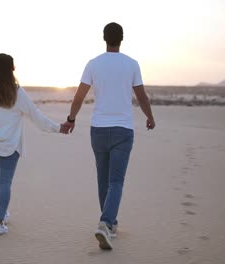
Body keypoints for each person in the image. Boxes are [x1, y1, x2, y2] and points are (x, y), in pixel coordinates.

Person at [62, 22, 156, 250]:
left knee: (104, 180)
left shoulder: (93, 64)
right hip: (123, 130)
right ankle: (106, 223)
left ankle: (110, 225)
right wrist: (150, 116)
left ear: (104, 38)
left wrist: (71, 119)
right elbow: (142, 97)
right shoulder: (132, 64)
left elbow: (79, 96)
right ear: (121, 39)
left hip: (99, 130)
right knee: (116, 181)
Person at [0, 53, 68, 235]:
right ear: (10, 69)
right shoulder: (16, 92)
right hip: (9, 146)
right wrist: (58, 128)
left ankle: (2, 214)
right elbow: (36, 116)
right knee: (5, 181)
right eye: (13, 66)